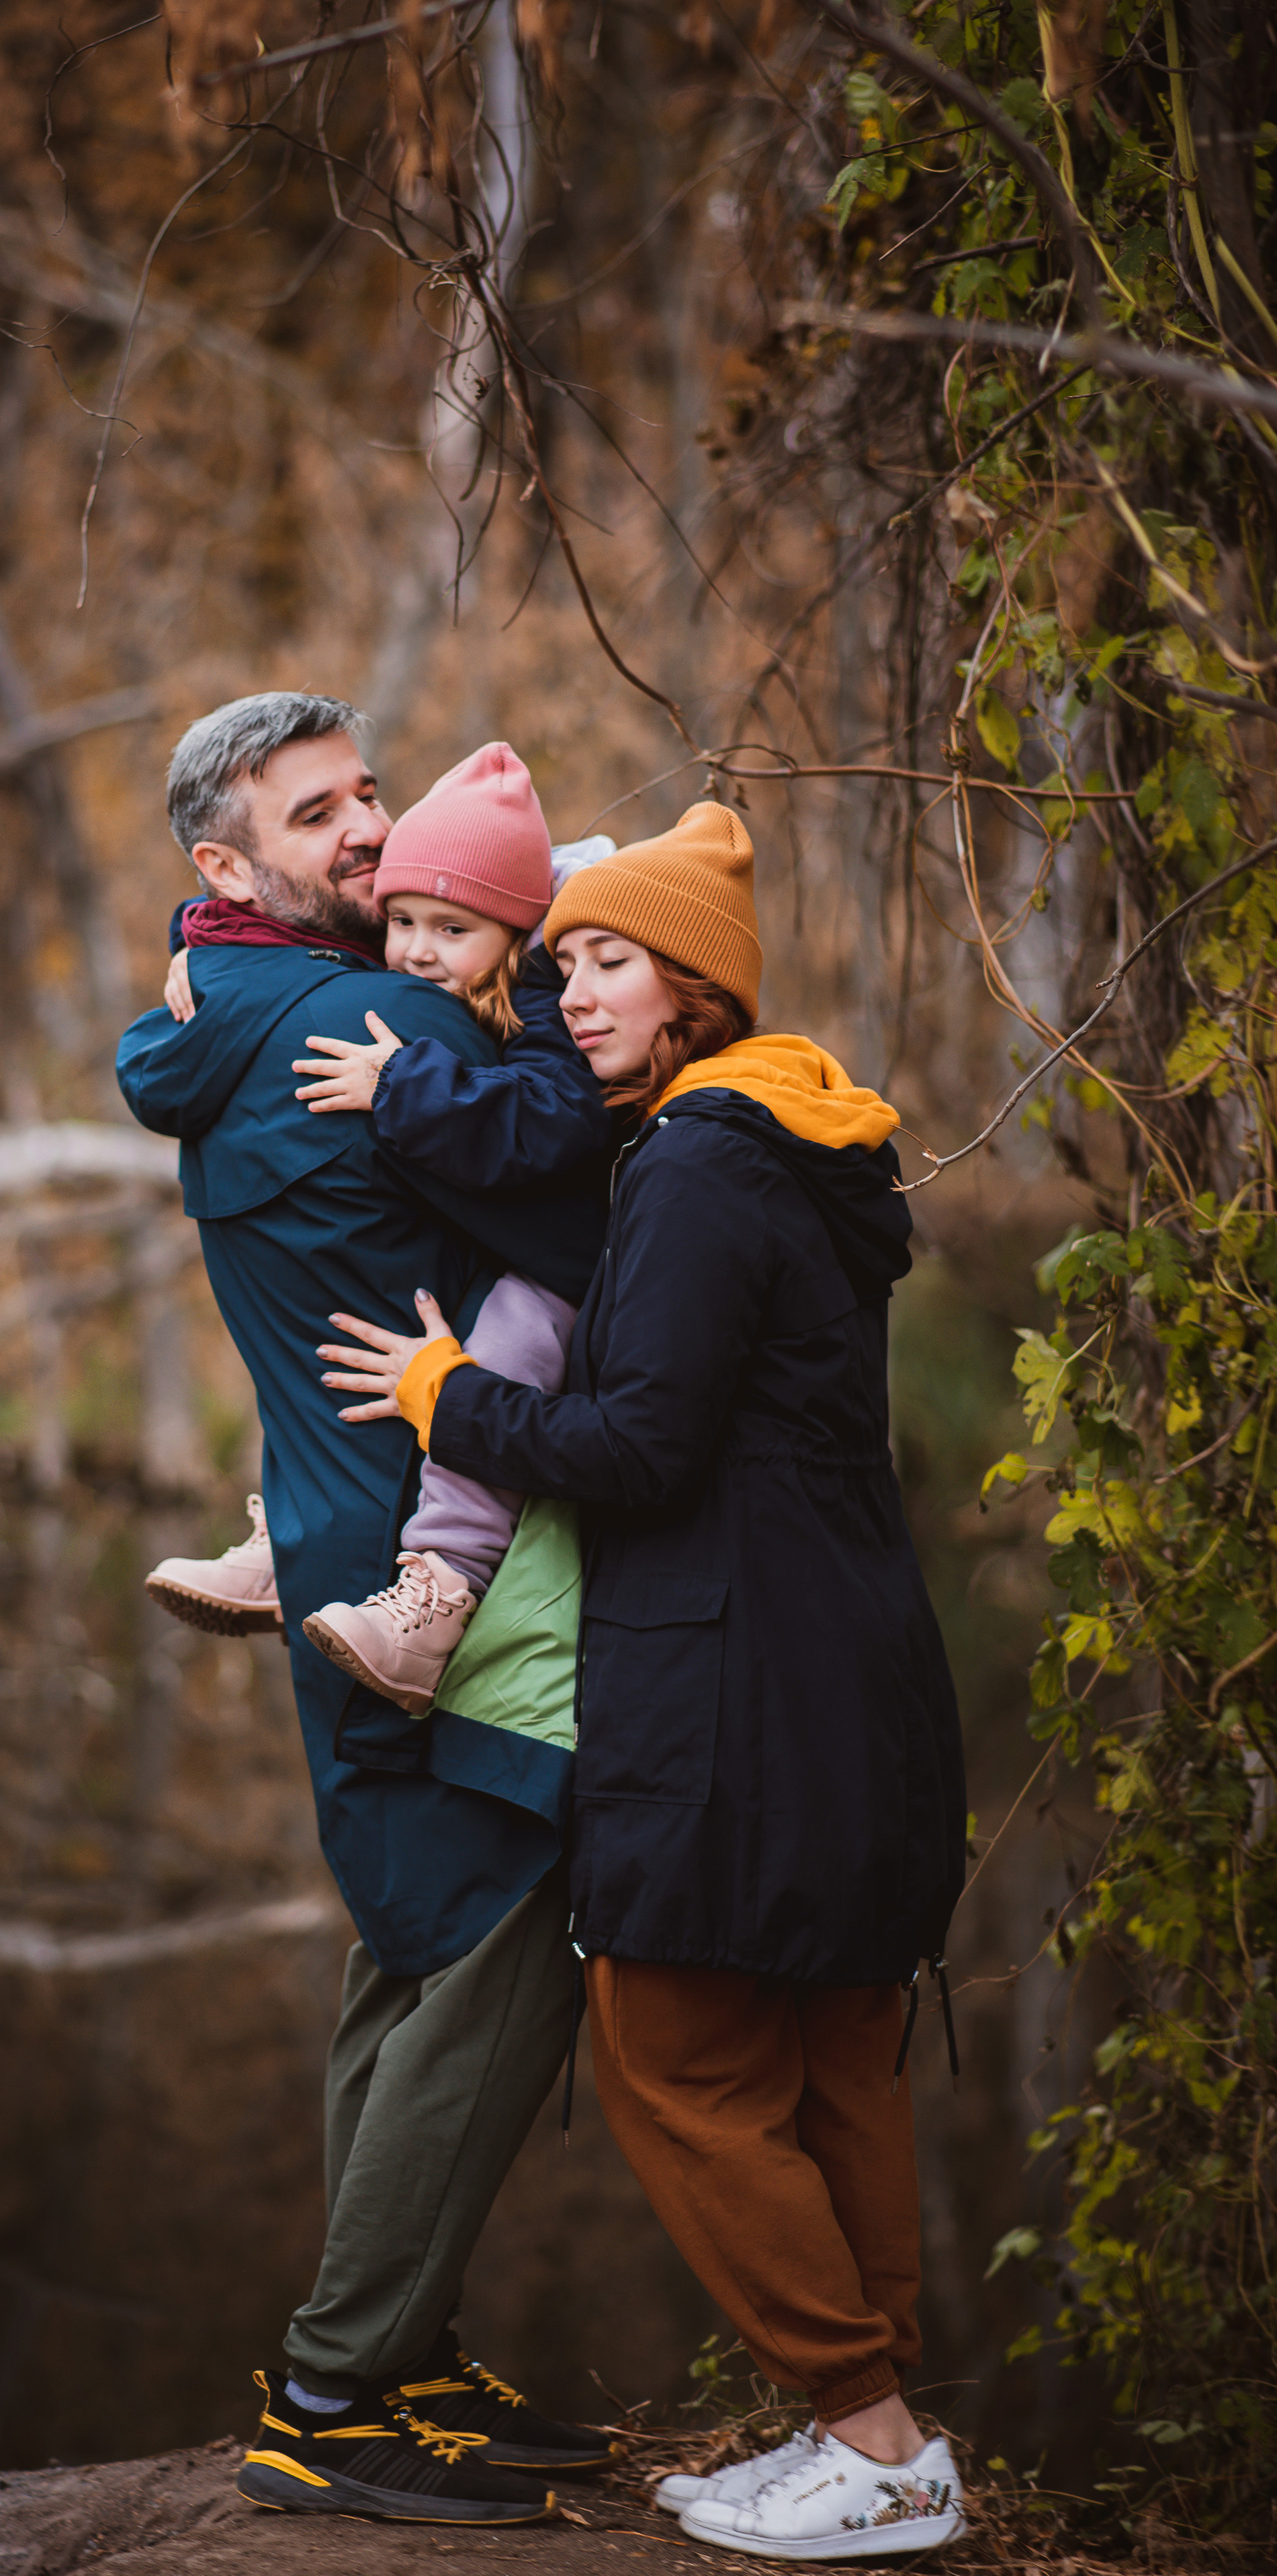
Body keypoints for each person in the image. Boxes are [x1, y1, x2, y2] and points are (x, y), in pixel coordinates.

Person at [318, 802, 971, 2561]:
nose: (569, 991)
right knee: (837, 2061)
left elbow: (643, 1443)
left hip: (742, 1679)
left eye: (606, 961)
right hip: (857, 1673)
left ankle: (872, 2434)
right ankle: (879, 2440)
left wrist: (450, 1397)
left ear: (696, 984)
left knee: (675, 2054)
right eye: (563, 962)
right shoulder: (808, 1149)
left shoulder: (695, 1159)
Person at [116, 693, 614, 2529]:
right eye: (318, 813)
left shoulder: (222, 1011)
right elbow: (594, 1206)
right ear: (226, 864)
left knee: (411, 1944)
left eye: (372, 794)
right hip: (437, 1553)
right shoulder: (388, 1019)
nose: (369, 831)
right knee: (507, 1924)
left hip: (340, 1546)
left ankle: (391, 2358)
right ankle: (337, 2389)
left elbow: (159, 1049)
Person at [150, 740, 616, 1714]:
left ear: (515, 926)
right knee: (332, 1305)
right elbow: (289, 912)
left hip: (562, 1263)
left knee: (494, 1361)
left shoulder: (543, 994)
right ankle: (288, 1535)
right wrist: (193, 944)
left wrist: (400, 1082)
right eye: (402, 921)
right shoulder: (416, 967)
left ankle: (441, 1586)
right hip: (494, 1231)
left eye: (450, 927)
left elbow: (555, 1124)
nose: (413, 950)